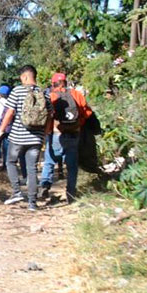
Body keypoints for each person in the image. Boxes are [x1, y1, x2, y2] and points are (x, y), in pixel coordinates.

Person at [0, 65, 50, 211]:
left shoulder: (17, 90)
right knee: (32, 169)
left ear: (25, 77)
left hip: (17, 137)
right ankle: (32, 203)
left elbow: (9, 113)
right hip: (36, 138)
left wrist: (1, 131)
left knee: (10, 161)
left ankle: (17, 192)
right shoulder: (44, 93)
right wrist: (44, 136)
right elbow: (50, 117)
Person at [40, 72, 92, 203]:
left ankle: (45, 187)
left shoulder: (51, 96)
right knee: (72, 165)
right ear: (65, 82)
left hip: (57, 133)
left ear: (53, 84)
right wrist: (78, 124)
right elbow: (87, 112)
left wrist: (46, 132)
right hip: (74, 133)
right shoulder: (76, 94)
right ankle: (71, 193)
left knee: (50, 162)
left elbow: (47, 115)